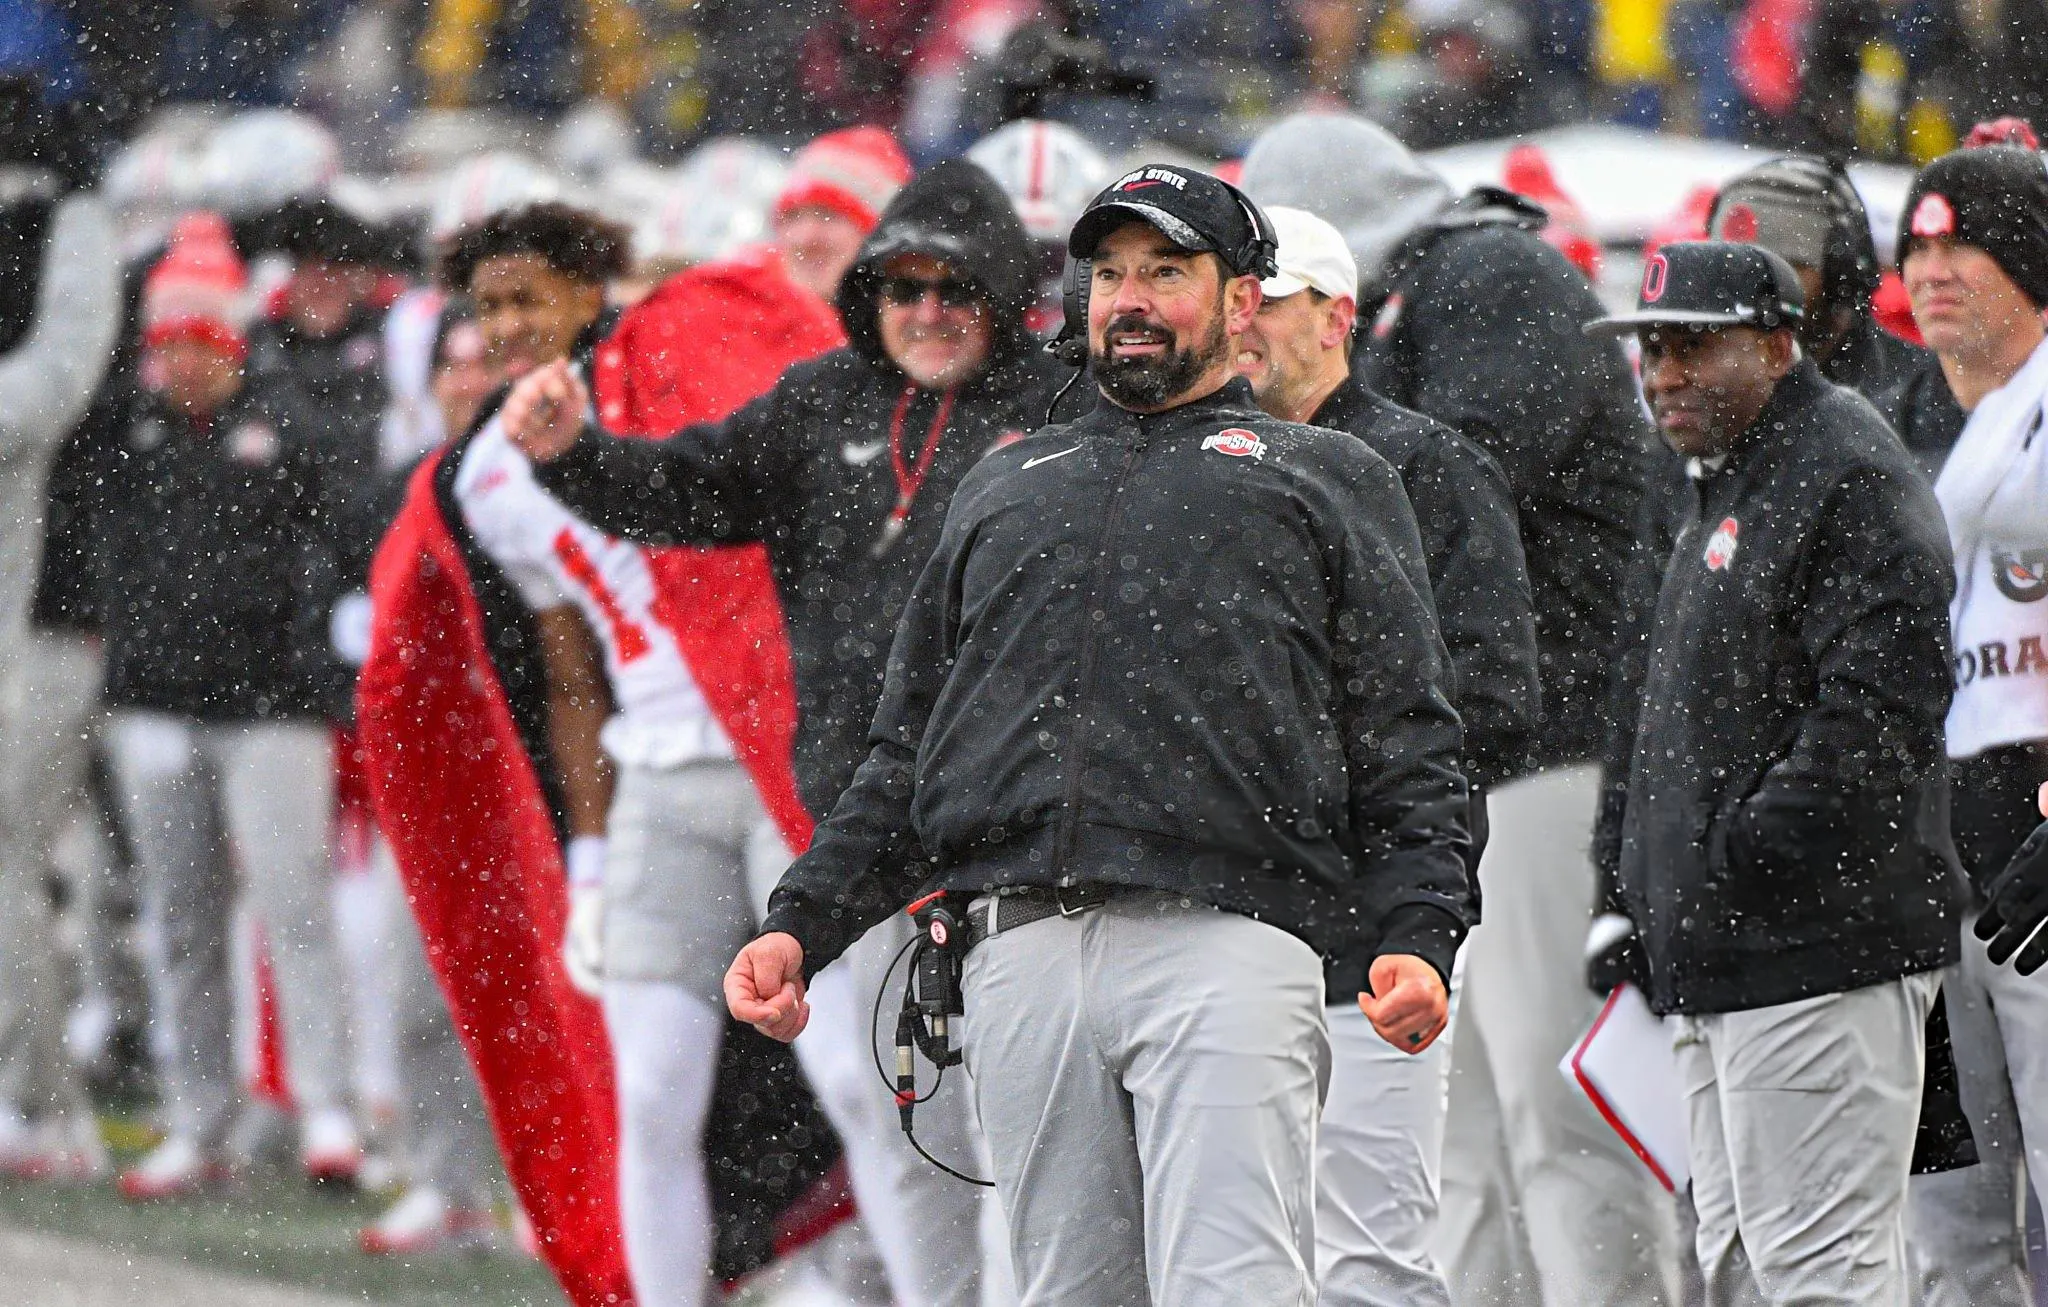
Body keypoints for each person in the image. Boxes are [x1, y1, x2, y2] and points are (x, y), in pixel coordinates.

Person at [712, 163, 1475, 1306]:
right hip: (1017, 944)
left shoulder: (1327, 472)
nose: (1129, 298)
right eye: (1109, 272)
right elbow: (908, 747)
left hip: (1232, 935)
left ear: (1241, 299)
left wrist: (1418, 924)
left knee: (1235, 1289)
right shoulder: (1008, 481)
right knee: (1064, 1293)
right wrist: (800, 922)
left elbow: (1405, 733)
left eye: (1165, 271)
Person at [498, 160, 1061, 1307]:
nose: (927, 310)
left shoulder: (1061, 410)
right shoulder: (822, 401)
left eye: (954, 286)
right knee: (907, 1119)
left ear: (1003, 292)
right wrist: (572, 456)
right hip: (869, 831)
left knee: (1027, 1127)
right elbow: (685, 489)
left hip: (1022, 833)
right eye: (901, 287)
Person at [1240, 111, 1671, 1307]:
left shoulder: (1487, 275)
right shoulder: (1422, 294)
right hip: (1464, 761)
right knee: (1459, 1131)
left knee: (1554, 1105)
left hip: (1553, 742)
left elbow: (1449, 481)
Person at [1587, 241, 1963, 1307]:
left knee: (1819, 1276)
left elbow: (1882, 704)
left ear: (1773, 341)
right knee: (1745, 1273)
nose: (1663, 374)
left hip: (1812, 942)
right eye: (1652, 349)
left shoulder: (1837, 463)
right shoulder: (1734, 471)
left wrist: (1749, 856)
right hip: (1730, 948)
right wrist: (1648, 887)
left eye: (1691, 346)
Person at [1233, 202, 1538, 1306]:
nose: (1245, 325)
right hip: (1235, 916)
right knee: (1246, 1256)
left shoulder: (1424, 464)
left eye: (1270, 302)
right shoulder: (1210, 468)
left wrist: (1323, 773)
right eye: (1235, 301)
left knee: (1370, 1253)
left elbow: (1494, 696)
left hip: (1378, 908)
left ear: (1336, 316)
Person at [97, 212, 366, 1199]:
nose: (180, 362)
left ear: (229, 339)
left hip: (271, 707)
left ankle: (327, 1104)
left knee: (294, 903)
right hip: (158, 701)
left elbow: (337, 543)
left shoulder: (288, 423)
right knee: (182, 916)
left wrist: (308, 663)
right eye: (166, 342)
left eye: (195, 340)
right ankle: (198, 1117)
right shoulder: (132, 428)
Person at [1891, 144, 2048, 1307]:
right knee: (1946, 1233)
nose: (1932, 269)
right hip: (1933, 862)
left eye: (1964, 243)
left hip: (2032, 844)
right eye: (1919, 244)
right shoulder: (1898, 423)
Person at [0, 162, 121, 1179]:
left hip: (49, 611)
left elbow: (43, 394)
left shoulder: (69, 237)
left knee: (8, 852)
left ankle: (39, 1100)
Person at [1707, 155, 1929, 401]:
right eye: (1728, 272)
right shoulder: (1690, 388)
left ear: (1840, 279)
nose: (1749, 292)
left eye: (1781, 270)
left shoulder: (1917, 395)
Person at [770, 126, 913, 304]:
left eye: (828, 215)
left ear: (879, 235)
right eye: (793, 216)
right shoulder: (742, 306)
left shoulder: (926, 313)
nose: (805, 238)